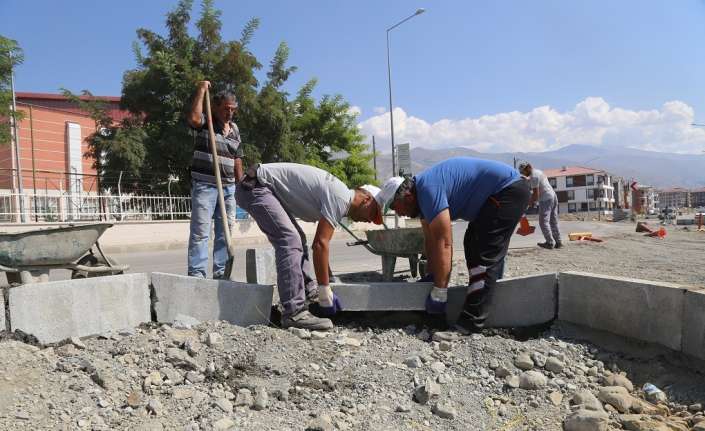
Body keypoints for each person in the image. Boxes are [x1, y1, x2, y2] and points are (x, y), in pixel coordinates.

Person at [380, 157, 530, 331]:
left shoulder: (428, 190)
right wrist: (432, 275)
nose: (398, 212)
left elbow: (444, 244)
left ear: (407, 196)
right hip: (498, 194)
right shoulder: (421, 199)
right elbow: (431, 242)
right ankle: (488, 299)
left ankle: (472, 321)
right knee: (472, 243)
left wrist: (439, 292)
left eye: (394, 206)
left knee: (484, 253)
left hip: (508, 190)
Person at [236, 162, 386, 330]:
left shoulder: (340, 195)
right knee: (290, 240)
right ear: (366, 199)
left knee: (298, 238)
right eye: (372, 213)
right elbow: (320, 245)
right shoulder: (341, 198)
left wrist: (324, 283)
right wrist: (324, 288)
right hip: (256, 186)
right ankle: (294, 313)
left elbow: (321, 246)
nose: (370, 220)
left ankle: (308, 292)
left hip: (261, 185)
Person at [186, 81, 244, 279]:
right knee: (201, 232)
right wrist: (201, 89)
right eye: (226, 109)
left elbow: (238, 159)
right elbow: (193, 118)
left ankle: (221, 273)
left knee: (224, 233)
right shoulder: (206, 122)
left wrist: (241, 185)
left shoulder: (235, 130)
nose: (230, 113)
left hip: (228, 189)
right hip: (205, 186)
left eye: (233, 109)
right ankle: (197, 274)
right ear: (217, 107)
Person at [519, 162, 562, 249]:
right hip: (553, 196)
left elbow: (536, 195)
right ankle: (559, 242)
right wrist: (526, 179)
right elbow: (534, 181)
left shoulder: (534, 177)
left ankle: (549, 243)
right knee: (553, 221)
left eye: (523, 172)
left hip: (545, 199)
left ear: (528, 168)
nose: (523, 174)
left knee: (543, 222)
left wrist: (528, 204)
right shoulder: (537, 172)